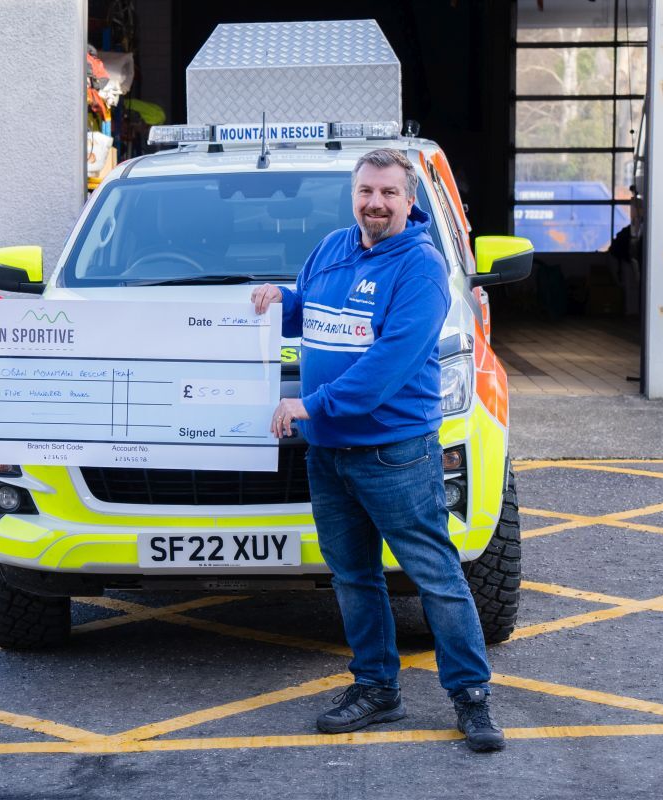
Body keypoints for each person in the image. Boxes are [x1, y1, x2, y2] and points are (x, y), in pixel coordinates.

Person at [250, 149, 504, 752]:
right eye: (366, 191)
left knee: (435, 575)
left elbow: (390, 362)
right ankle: (376, 688)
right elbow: (308, 313)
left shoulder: (420, 267)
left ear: (408, 200)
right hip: (328, 454)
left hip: (394, 453)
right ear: (353, 193)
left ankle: (472, 699)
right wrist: (275, 302)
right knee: (354, 578)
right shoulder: (332, 247)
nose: (375, 203)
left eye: (389, 193)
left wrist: (312, 405)